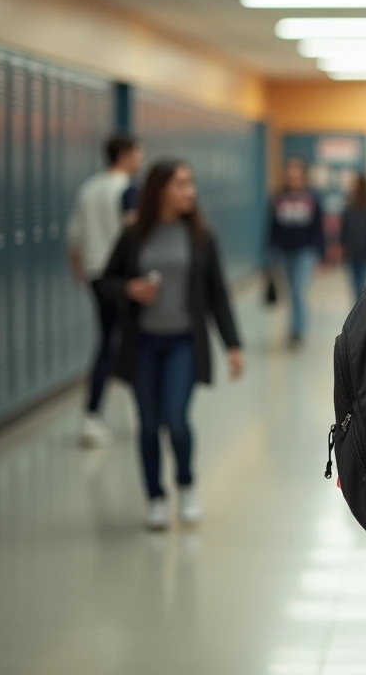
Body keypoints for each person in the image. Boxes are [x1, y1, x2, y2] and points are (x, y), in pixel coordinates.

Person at [99, 159, 244, 531]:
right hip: (143, 343)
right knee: (148, 425)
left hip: (183, 342)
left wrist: (233, 345)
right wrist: (129, 288)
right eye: (182, 184)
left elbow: (217, 294)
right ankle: (156, 498)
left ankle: (186, 483)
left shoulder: (201, 236)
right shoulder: (134, 234)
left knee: (176, 421)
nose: (190, 191)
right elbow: (105, 281)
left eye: (191, 184)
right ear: (160, 188)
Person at [67, 133, 144, 447]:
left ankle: (91, 417)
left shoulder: (89, 188)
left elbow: (74, 237)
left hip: (97, 276)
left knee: (106, 342)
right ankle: (144, 412)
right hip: (124, 279)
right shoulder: (127, 191)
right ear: (124, 155)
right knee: (135, 342)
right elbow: (135, 235)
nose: (140, 160)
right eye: (138, 154)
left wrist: (80, 273)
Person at [268, 159, 325, 347]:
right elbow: (272, 227)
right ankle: (293, 327)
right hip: (284, 251)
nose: (293, 178)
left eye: (296, 174)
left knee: (299, 290)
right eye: (290, 174)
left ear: (303, 176)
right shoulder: (278, 198)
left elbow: (318, 227)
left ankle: (298, 331)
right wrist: (270, 251)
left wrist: (321, 253)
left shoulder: (311, 198)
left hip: (305, 251)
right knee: (291, 291)